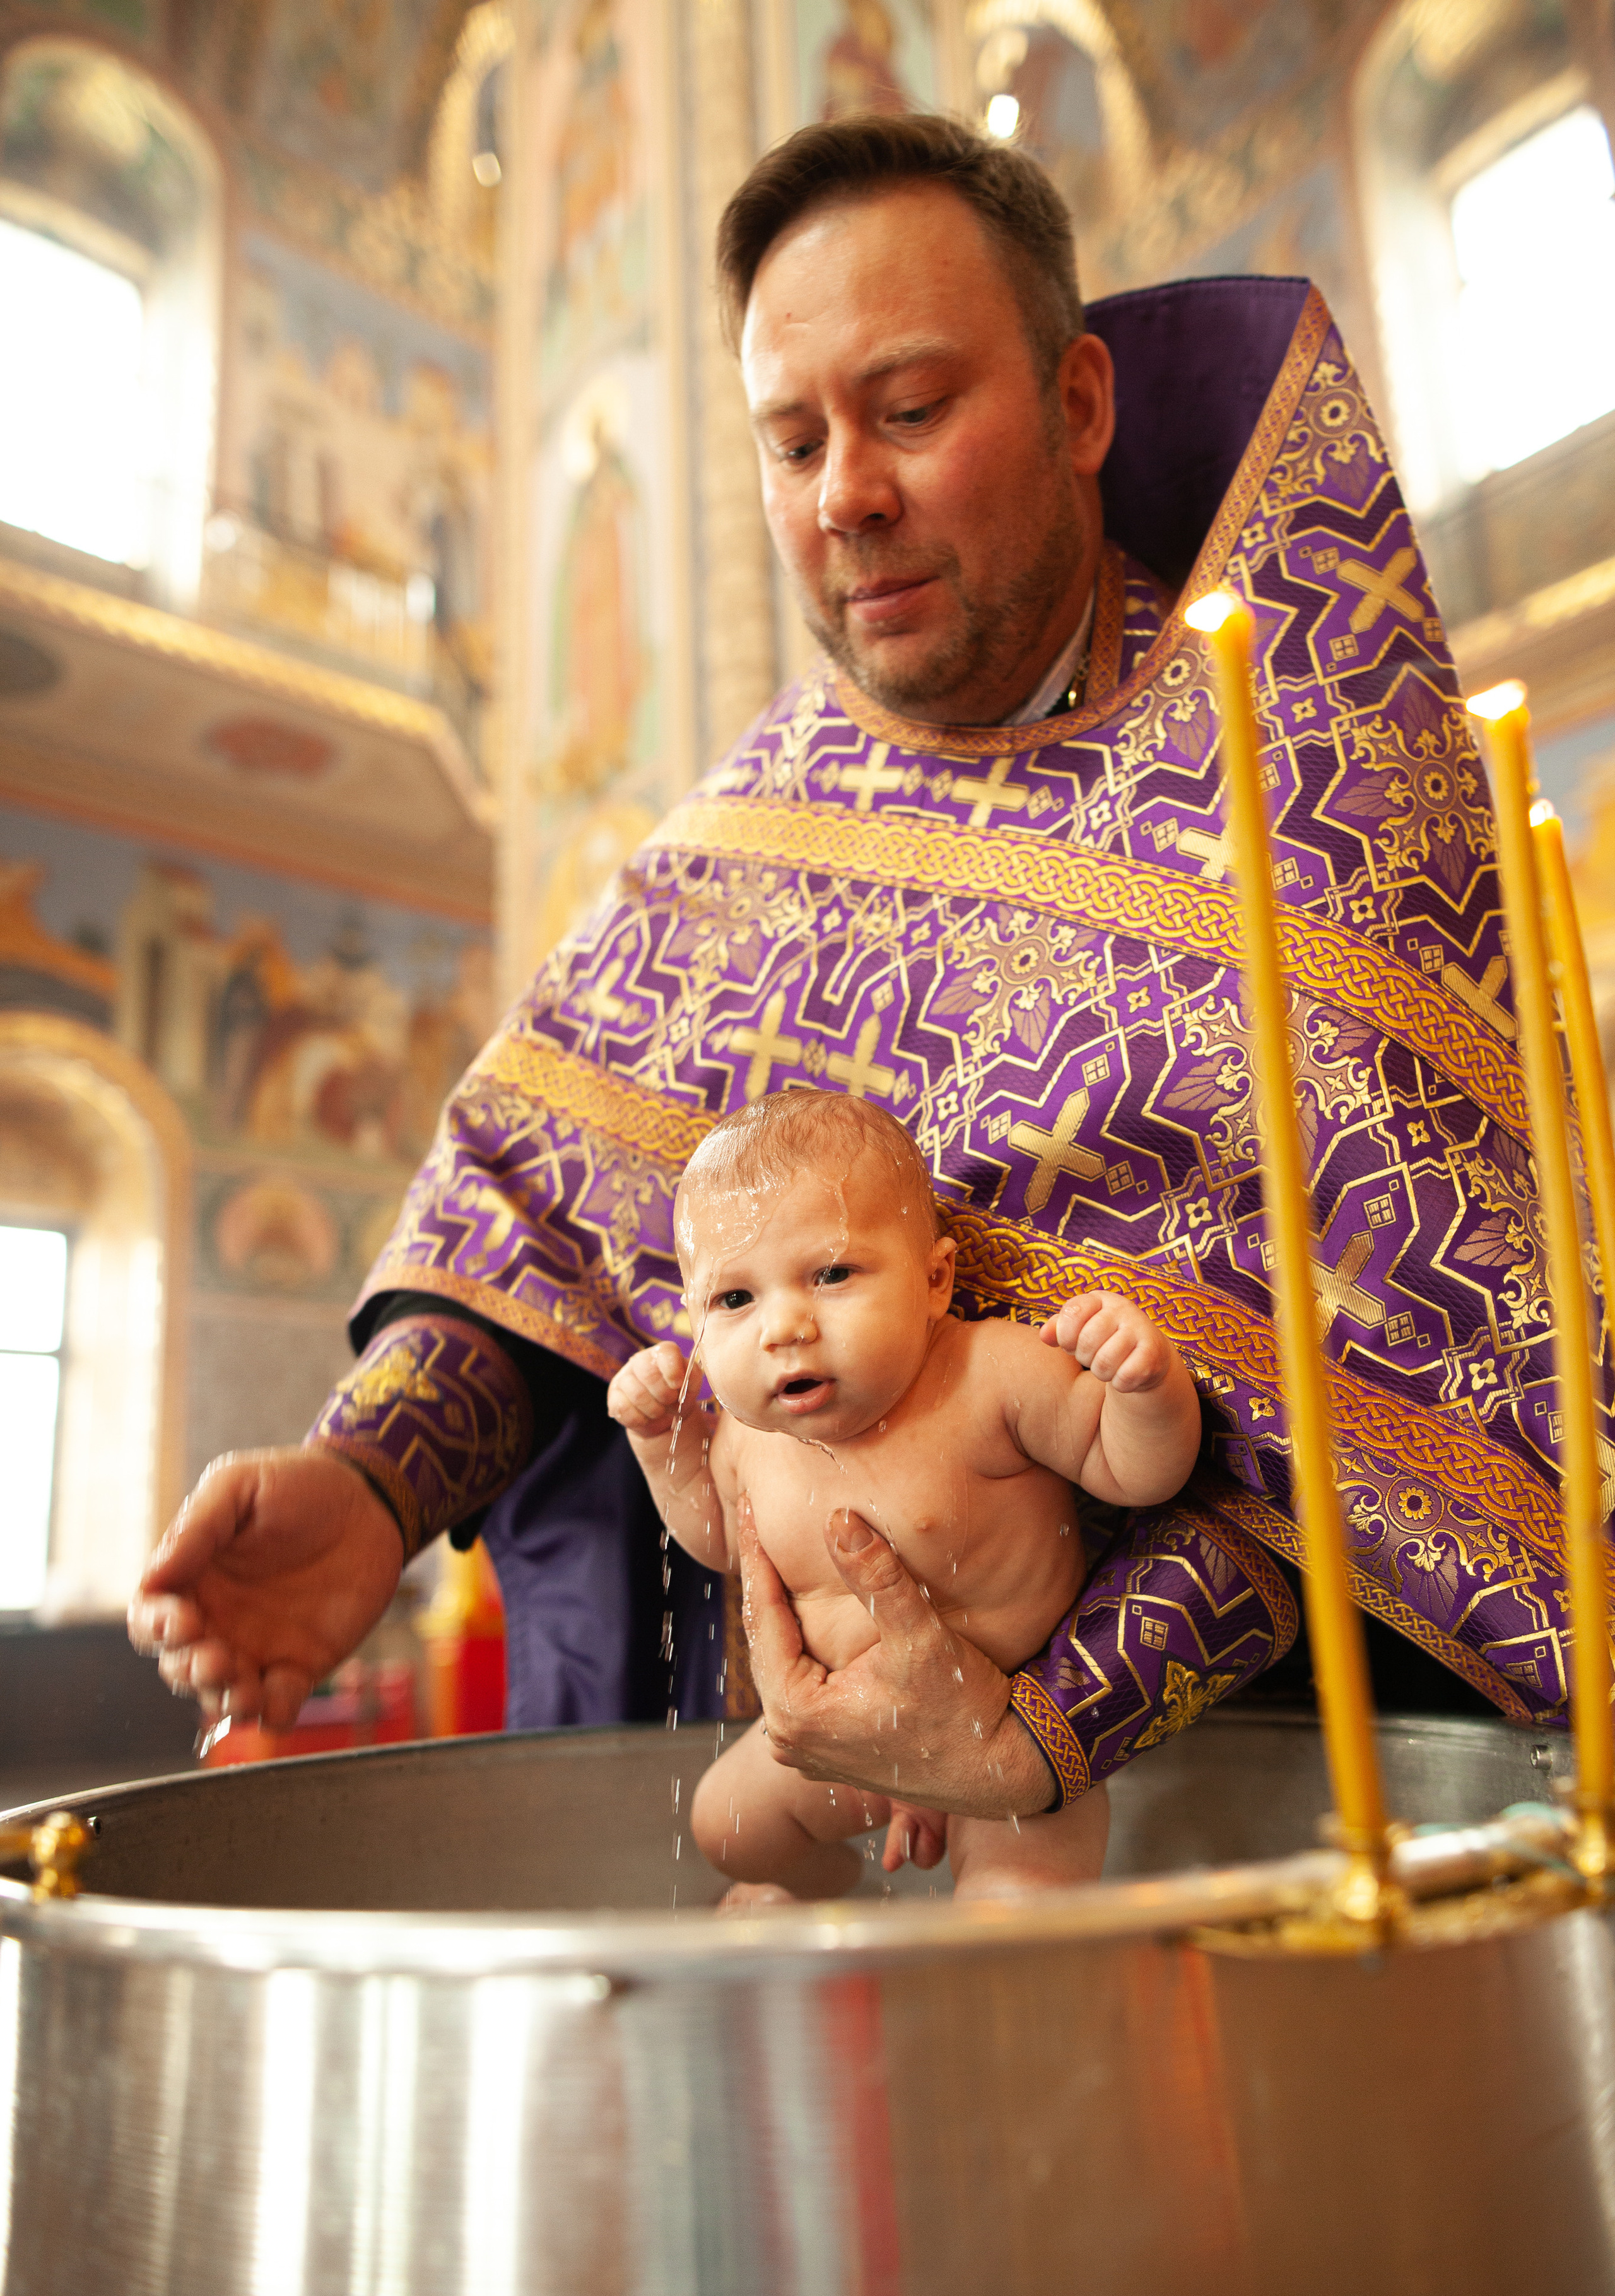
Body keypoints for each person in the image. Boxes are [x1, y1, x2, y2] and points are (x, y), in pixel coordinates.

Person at [132, 114, 1589, 1839]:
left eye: (910, 410)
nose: (847, 492)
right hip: (831, 1835)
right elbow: (536, 1211)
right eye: (793, 437)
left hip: (1284, 1822)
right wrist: (369, 1485)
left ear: (1079, 408)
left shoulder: (1318, 786)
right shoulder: (731, 853)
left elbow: (1396, 1410)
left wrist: (1056, 1711)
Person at [610, 1090, 1199, 1899]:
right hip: (848, 1743)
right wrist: (662, 1450)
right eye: (734, 1299)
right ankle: (812, 1894)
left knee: (1016, 1906)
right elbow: (715, 1541)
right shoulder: (746, 1437)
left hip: (1011, 1726)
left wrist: (1143, 1387)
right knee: (727, 1826)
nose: (783, 1327)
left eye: (831, 1274)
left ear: (934, 1280)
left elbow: (1134, 1470)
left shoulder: (987, 1376)